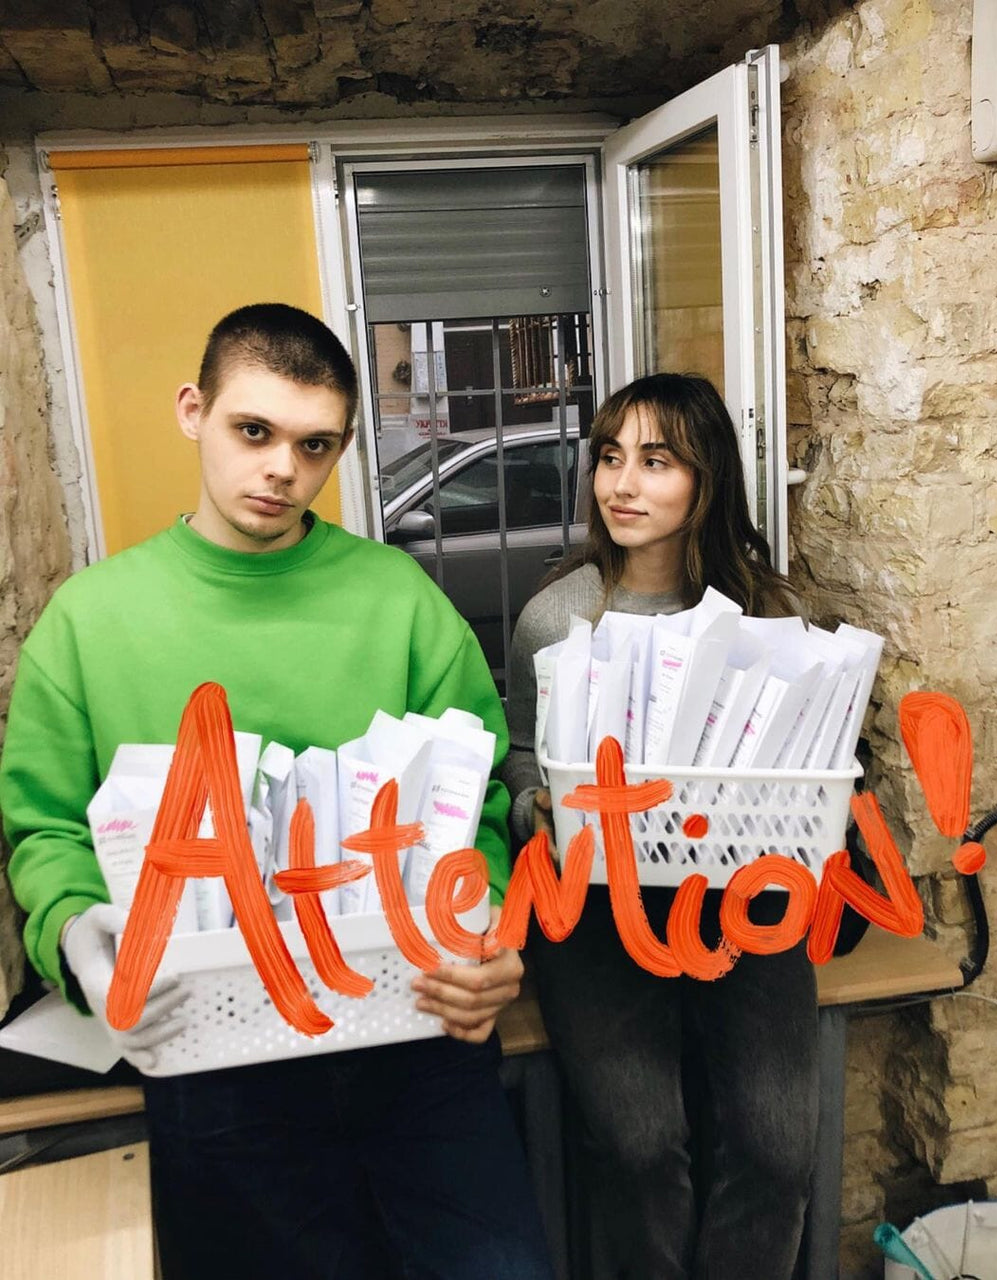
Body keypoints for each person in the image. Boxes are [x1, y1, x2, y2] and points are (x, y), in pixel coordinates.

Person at [0, 303, 555, 1280]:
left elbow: (472, 808)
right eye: (252, 430)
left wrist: (488, 927)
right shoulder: (87, 623)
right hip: (214, 1056)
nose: (281, 469)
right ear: (193, 411)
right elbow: (44, 828)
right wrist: (79, 932)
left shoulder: (400, 601)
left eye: (314, 445)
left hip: (413, 1032)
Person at [503, 373, 817, 1280]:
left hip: (745, 906)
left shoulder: (770, 615)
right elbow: (518, 752)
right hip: (598, 914)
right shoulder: (555, 616)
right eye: (610, 458)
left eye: (655, 461)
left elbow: (813, 760)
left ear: (706, 478)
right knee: (640, 1150)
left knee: (777, 1152)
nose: (622, 484)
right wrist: (535, 808)